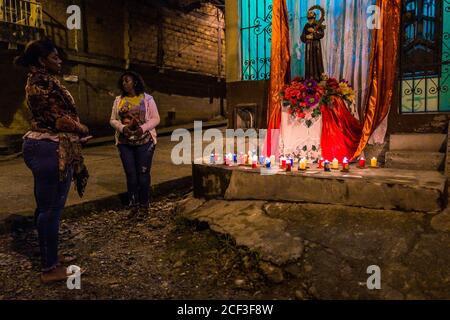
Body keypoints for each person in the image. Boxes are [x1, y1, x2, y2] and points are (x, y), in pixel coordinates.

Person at [15, 39, 90, 283]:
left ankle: (52, 257)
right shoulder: (40, 82)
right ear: (41, 60)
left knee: (49, 208)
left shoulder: (43, 80)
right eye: (55, 57)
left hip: (50, 145)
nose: (60, 61)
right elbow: (59, 120)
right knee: (50, 210)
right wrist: (80, 128)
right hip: (48, 148)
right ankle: (49, 268)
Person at [110, 71, 160, 220]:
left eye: (128, 81)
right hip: (125, 143)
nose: (125, 84)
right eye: (123, 81)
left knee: (143, 174)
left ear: (135, 82)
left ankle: (144, 206)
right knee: (131, 175)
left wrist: (142, 129)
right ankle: (133, 206)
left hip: (145, 141)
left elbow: (156, 119)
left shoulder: (147, 99)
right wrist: (122, 128)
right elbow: (112, 120)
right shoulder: (118, 100)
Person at [300, 10, 325, 81]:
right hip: (308, 46)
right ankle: (309, 78)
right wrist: (306, 37)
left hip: (316, 46)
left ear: (314, 18)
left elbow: (321, 34)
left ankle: (318, 77)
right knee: (309, 61)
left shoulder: (318, 24)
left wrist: (314, 33)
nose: (310, 20)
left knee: (317, 61)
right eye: (308, 18)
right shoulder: (306, 25)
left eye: (311, 18)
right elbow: (302, 36)